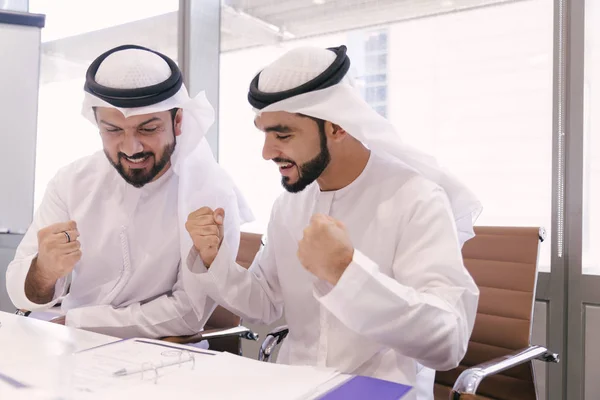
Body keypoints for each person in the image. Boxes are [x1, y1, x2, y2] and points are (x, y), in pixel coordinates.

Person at [185, 45, 480, 400]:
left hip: (383, 392)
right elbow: (264, 303)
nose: (266, 152)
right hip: (294, 387)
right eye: (264, 134)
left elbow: (448, 343)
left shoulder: (415, 198)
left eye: (283, 135)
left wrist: (347, 272)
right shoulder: (290, 205)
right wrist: (213, 260)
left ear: (337, 126)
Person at [6, 44, 253, 338]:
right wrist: (44, 270)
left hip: (165, 357)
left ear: (178, 121)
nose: (131, 148)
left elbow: (189, 313)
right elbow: (20, 291)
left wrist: (77, 323)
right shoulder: (72, 181)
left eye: (148, 129)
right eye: (113, 130)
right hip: (70, 347)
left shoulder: (210, 191)